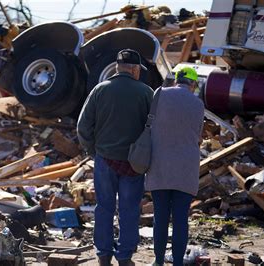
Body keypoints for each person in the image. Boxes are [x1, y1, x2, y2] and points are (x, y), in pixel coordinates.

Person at [77, 49, 154, 266]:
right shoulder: (146, 92)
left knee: (104, 207)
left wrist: (93, 151)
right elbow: (155, 129)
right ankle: (125, 257)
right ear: (135, 69)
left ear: (118, 68)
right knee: (129, 209)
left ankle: (103, 255)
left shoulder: (100, 90)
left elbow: (83, 127)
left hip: (105, 159)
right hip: (134, 163)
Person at [145, 67, 205, 266]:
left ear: (176, 80)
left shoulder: (159, 93)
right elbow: (197, 136)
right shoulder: (198, 104)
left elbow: (149, 123)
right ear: (193, 84)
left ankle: (159, 260)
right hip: (186, 168)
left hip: (159, 165)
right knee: (180, 219)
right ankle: (178, 262)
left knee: (160, 217)